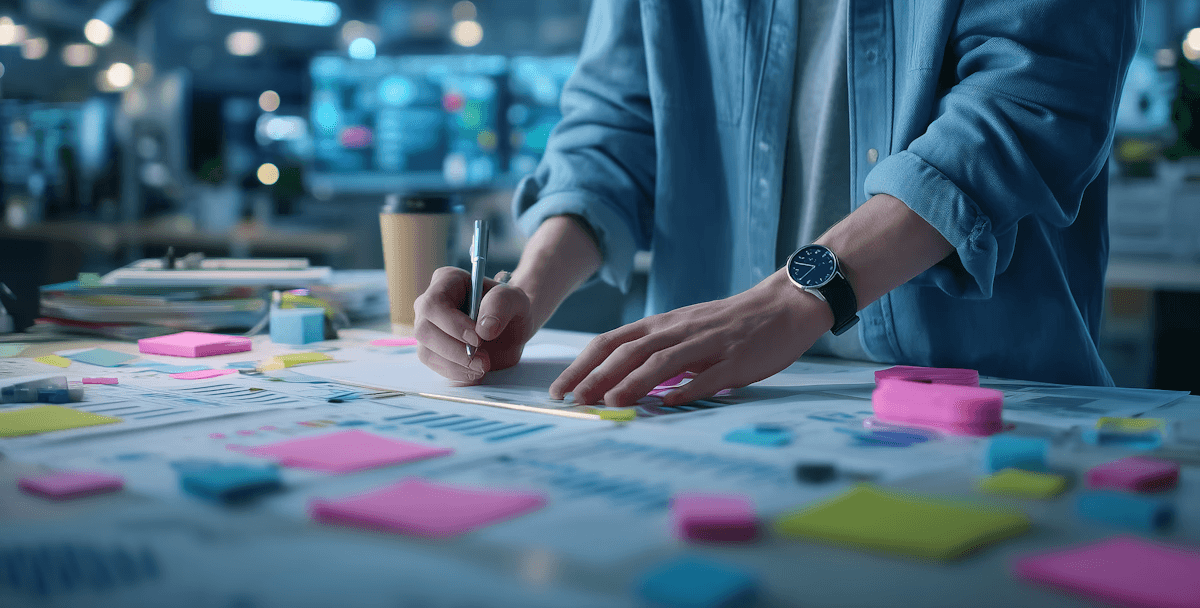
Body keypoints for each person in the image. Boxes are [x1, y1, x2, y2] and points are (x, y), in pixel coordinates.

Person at [414, 0, 1144, 408]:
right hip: (698, 400)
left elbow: (1027, 102)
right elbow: (614, 126)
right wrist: (523, 292)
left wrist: (797, 296)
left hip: (983, 400)